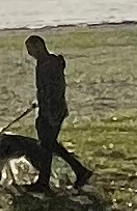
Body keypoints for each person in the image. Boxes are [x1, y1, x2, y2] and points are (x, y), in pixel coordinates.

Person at [23, 33, 91, 189]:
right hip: (47, 110)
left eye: (30, 48)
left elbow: (56, 89)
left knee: (47, 146)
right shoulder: (43, 63)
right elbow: (45, 89)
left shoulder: (50, 64)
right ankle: (78, 171)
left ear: (39, 46)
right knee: (48, 145)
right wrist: (39, 102)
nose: (29, 53)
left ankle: (45, 181)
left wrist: (51, 110)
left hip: (53, 111)